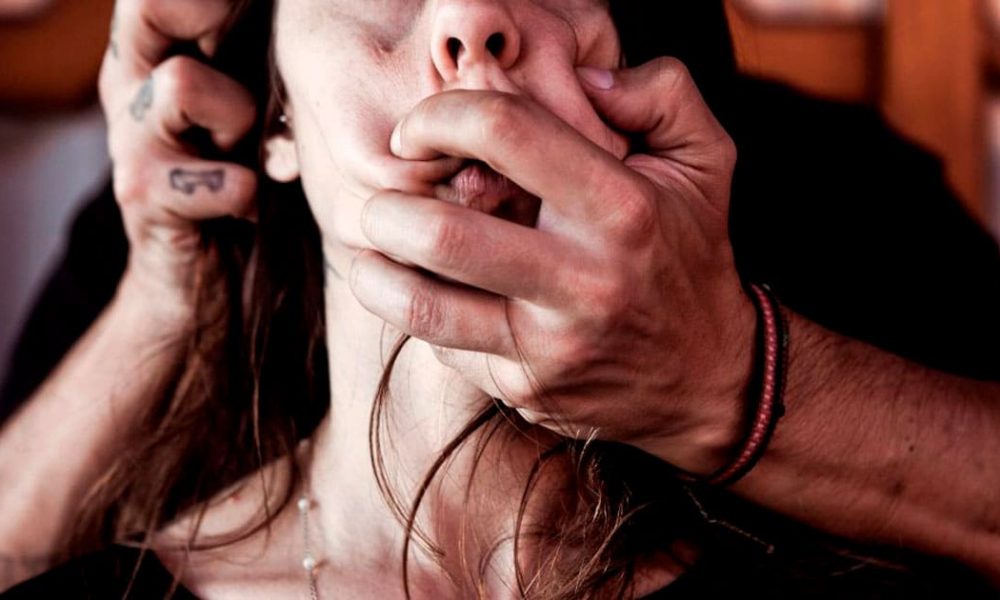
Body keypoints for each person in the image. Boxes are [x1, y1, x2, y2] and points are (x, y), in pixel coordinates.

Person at [2, 0, 999, 596]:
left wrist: (734, 378)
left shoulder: (857, 196)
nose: (470, 21)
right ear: (274, 118)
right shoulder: (163, 222)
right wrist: (169, 291)